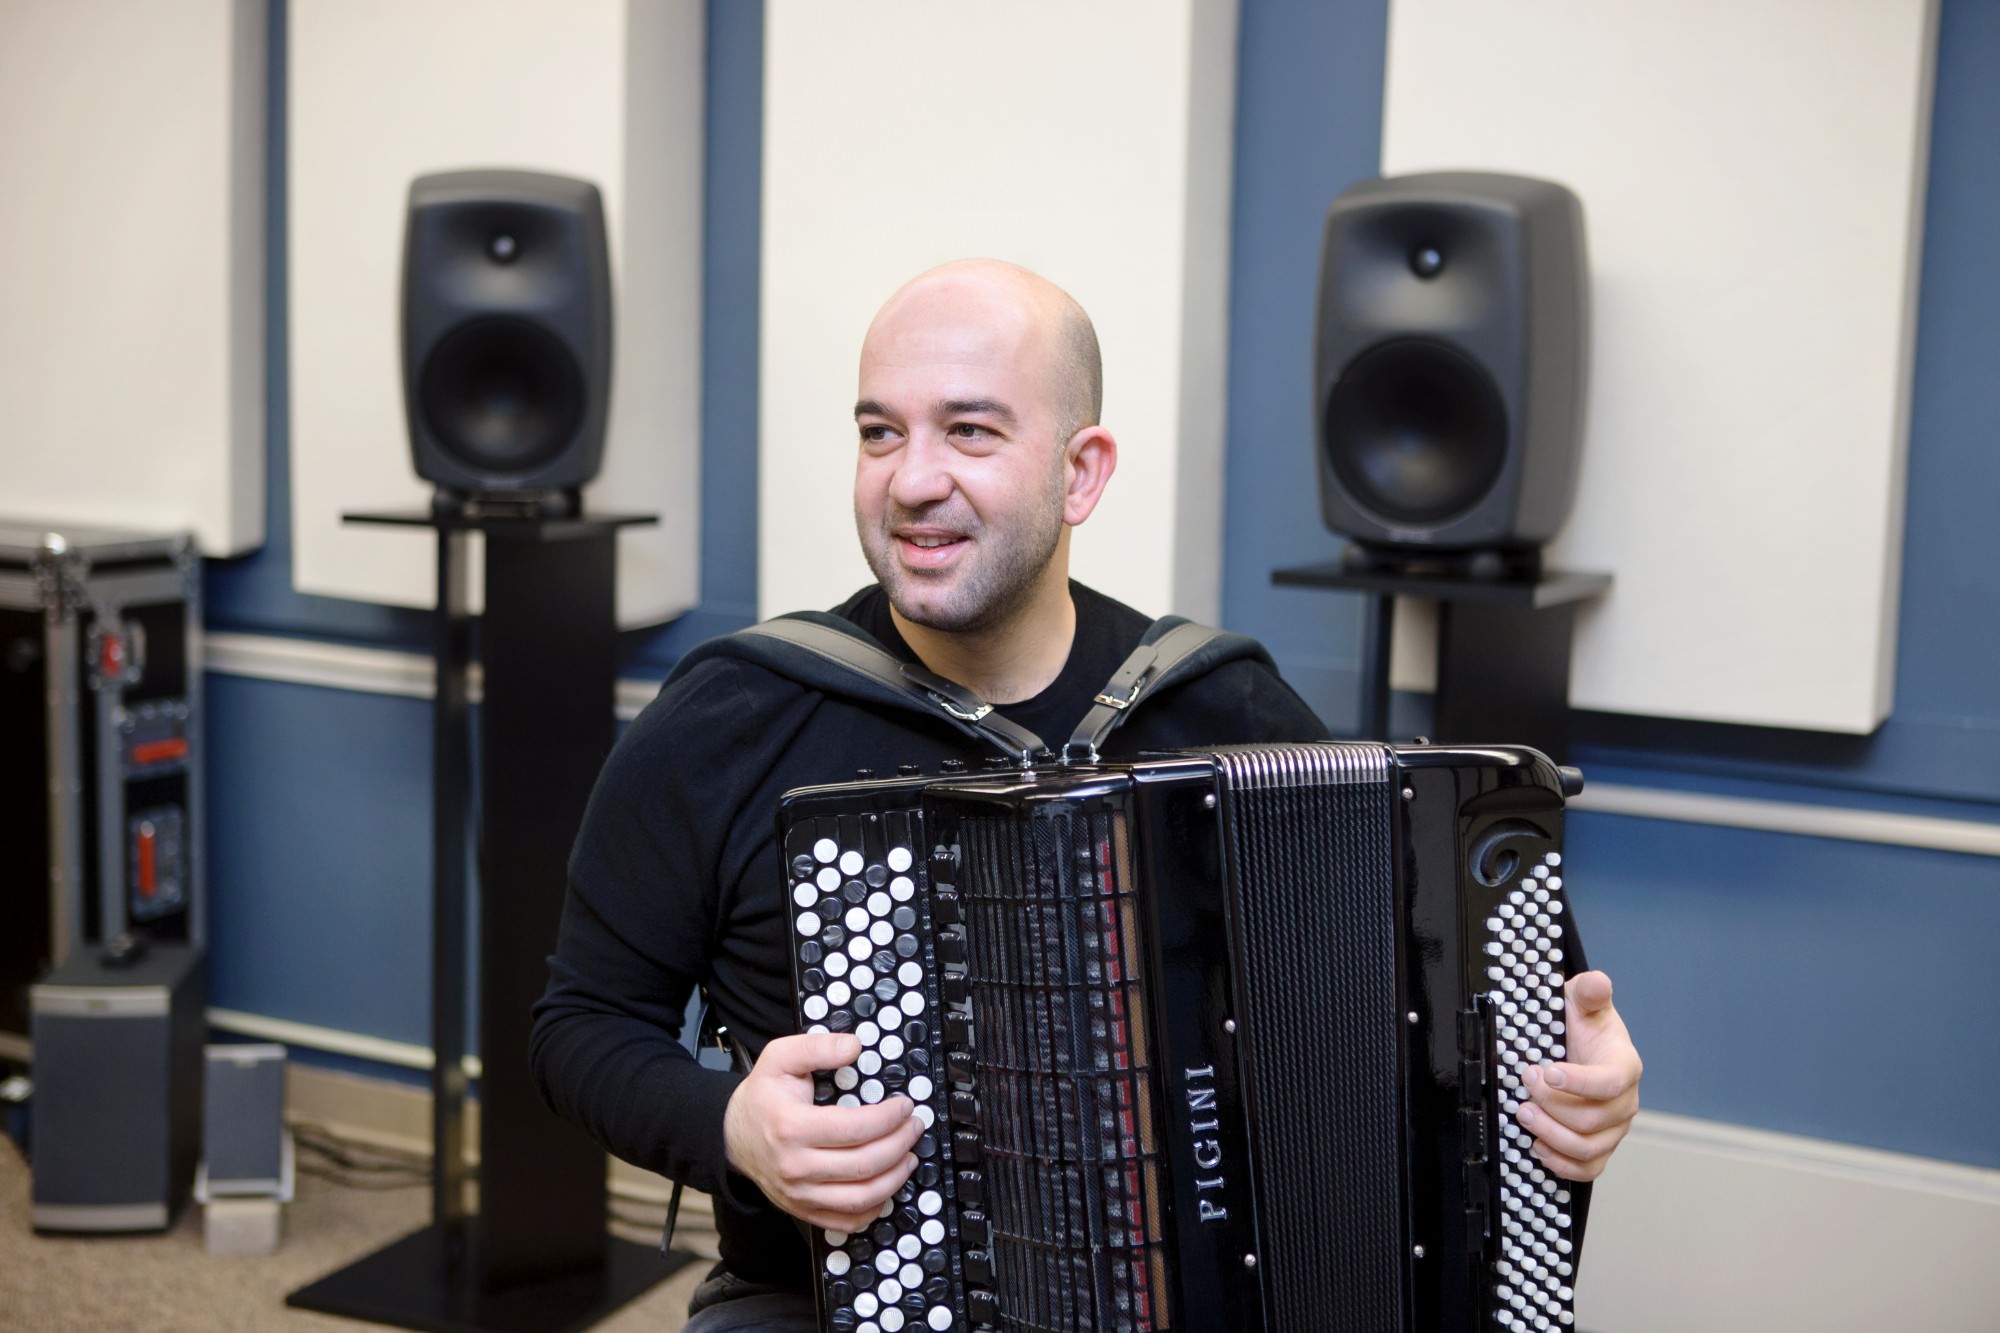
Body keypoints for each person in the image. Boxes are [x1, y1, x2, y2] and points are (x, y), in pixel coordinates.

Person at [531, 259, 1643, 1330]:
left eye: (969, 430)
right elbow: (581, 1023)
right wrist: (734, 1126)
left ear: (1082, 472)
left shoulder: (1225, 710)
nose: (911, 480)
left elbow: (1448, 1019)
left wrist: (1571, 1087)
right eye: (880, 432)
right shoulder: (735, 713)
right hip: (811, 1300)